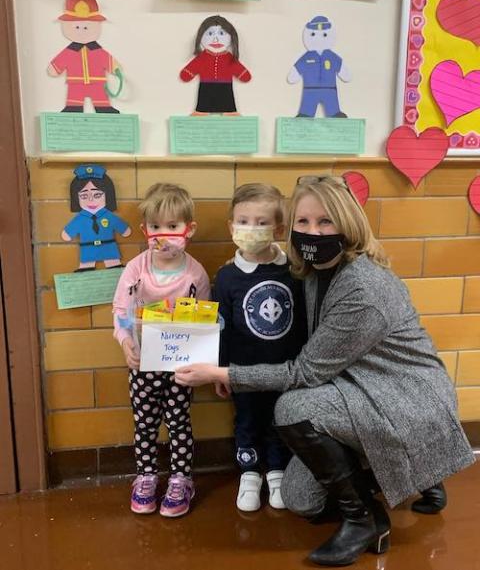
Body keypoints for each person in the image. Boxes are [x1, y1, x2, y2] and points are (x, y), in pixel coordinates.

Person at [175, 175, 475, 566]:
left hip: (404, 398)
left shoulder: (364, 287)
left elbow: (303, 374)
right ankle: (416, 470)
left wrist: (222, 374)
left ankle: (365, 519)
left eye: (325, 221)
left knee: (294, 408)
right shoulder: (314, 269)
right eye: (303, 222)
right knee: (302, 500)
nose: (312, 231)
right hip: (355, 390)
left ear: (348, 223)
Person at [112, 183, 210, 518]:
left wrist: (201, 360)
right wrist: (126, 342)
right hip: (142, 364)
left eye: (172, 226)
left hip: (180, 368)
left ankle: (181, 479)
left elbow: (202, 320)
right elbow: (120, 311)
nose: (163, 235)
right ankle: (147, 476)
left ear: (189, 230)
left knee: (179, 421)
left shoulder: (195, 273)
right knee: (145, 424)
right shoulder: (136, 269)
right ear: (144, 230)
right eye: (155, 227)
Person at [214, 183, 306, 512]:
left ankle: (278, 473)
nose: (251, 229)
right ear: (231, 226)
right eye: (243, 220)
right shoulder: (226, 277)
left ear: (279, 228)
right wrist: (221, 371)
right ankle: (250, 473)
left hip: (286, 369)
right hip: (243, 370)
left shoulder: (294, 271)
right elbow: (219, 327)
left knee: (281, 419)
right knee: (248, 420)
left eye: (262, 222)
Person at [48, 0, 121, 113]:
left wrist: (114, 67)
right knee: (74, 99)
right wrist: (54, 68)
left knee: (100, 98)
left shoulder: (98, 50)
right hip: (76, 82)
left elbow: (106, 59)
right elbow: (59, 62)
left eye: (86, 27)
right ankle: (72, 108)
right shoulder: (70, 51)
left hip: (97, 81)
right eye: (77, 27)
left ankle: (104, 108)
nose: (81, 31)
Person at [61, 164, 131, 271]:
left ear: (107, 195)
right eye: (84, 196)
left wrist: (124, 230)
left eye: (97, 195)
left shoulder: (108, 216)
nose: (91, 200)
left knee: (114, 267)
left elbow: (124, 229)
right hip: (88, 248)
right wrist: (68, 233)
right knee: (86, 269)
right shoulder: (80, 218)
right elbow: (67, 234)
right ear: (76, 197)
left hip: (108, 247)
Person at [180, 15, 251, 115]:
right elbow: (186, 74)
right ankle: (201, 112)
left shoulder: (229, 57)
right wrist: (187, 73)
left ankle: (230, 112)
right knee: (203, 102)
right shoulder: (202, 57)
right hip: (206, 86)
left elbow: (244, 75)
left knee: (227, 101)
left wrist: (243, 74)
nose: (216, 40)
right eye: (210, 34)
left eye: (221, 33)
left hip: (225, 87)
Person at [287, 16, 350, 118]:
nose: (318, 38)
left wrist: (345, 74)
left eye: (324, 34)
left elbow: (344, 72)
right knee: (307, 108)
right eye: (313, 34)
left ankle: (335, 113)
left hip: (329, 89)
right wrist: (294, 75)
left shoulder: (332, 56)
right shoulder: (307, 57)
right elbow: (295, 72)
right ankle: (305, 114)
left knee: (332, 105)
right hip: (310, 89)